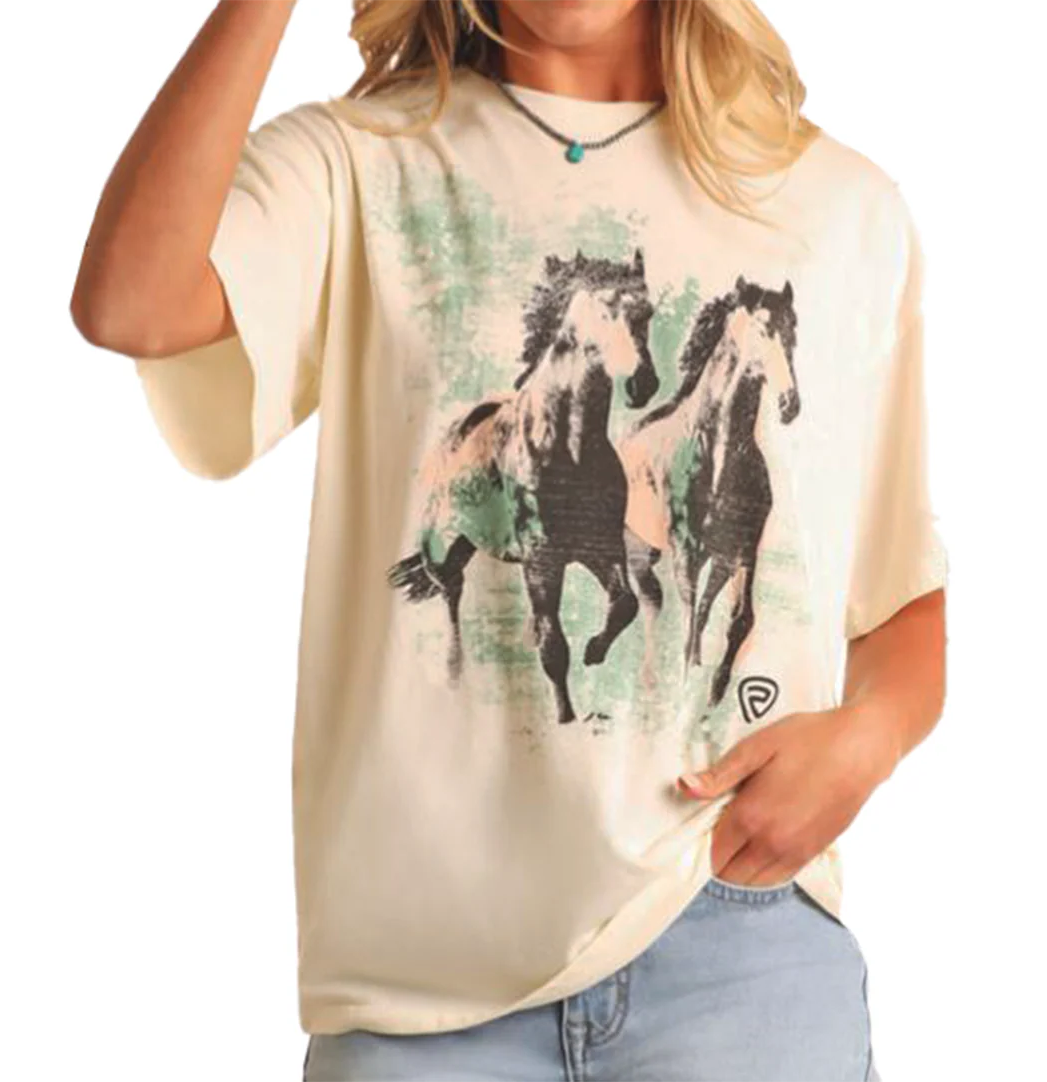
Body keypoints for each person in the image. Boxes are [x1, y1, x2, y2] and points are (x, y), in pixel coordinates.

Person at [70, 1, 949, 1079]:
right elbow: (132, 303)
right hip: (420, 994)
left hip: (736, 944)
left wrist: (869, 737)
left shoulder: (840, 208)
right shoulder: (361, 165)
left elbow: (901, 591)